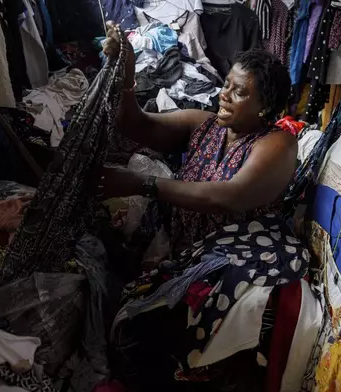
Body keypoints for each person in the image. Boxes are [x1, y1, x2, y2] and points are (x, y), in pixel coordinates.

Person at [100, 21, 297, 256]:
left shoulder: (277, 143)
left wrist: (141, 183)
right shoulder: (204, 125)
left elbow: (228, 197)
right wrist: (126, 74)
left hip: (232, 257)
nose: (224, 95)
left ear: (264, 107)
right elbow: (134, 125)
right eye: (227, 84)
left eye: (239, 92)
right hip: (180, 249)